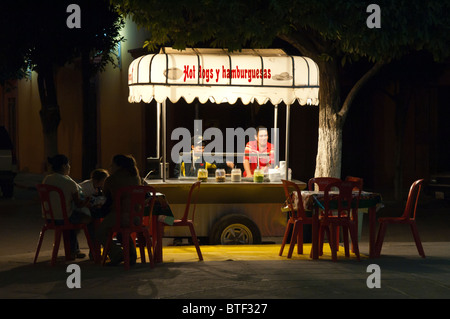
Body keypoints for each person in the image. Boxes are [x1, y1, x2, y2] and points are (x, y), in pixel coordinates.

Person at [43, 154, 91, 259]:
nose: (69, 167)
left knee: (72, 218)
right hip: (65, 218)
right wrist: (88, 200)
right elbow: (78, 203)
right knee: (88, 218)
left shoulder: (47, 179)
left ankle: (74, 250)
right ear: (64, 166)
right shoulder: (69, 183)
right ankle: (93, 251)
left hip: (50, 218)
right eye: (69, 165)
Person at [96, 154, 141, 265]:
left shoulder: (112, 179)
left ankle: (117, 254)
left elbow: (105, 196)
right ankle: (131, 255)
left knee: (100, 233)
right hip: (136, 217)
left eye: (112, 164)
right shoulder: (136, 178)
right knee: (121, 234)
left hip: (119, 216)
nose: (110, 167)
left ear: (119, 166)